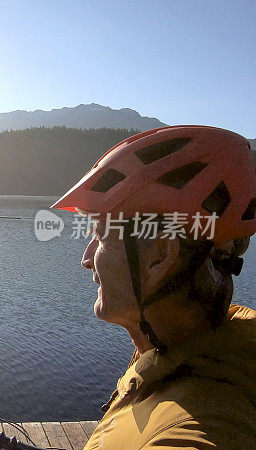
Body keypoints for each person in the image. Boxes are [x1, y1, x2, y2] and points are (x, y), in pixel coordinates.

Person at [52, 126, 256, 448]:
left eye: (101, 237)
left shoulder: (207, 423)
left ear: (161, 255)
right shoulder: (176, 345)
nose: (86, 259)